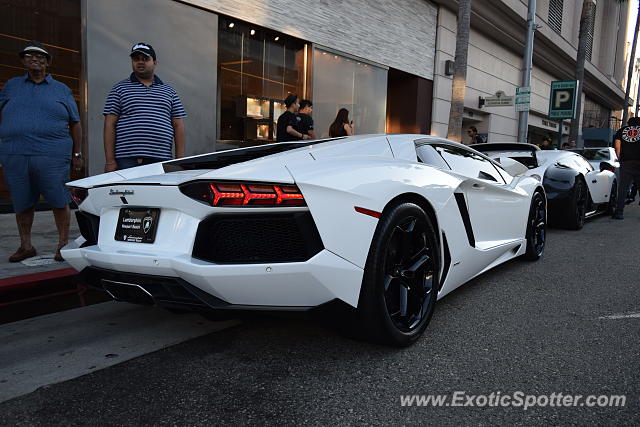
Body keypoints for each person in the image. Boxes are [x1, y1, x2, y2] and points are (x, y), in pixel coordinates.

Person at [0, 41, 82, 262]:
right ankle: (26, 246)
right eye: (28, 56)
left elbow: (75, 123)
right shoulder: (11, 86)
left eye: (39, 56)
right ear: (23, 61)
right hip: (15, 154)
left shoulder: (62, 89)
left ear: (47, 63)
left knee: (57, 199)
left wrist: (77, 154)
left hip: (53, 155)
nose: (34, 59)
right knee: (22, 201)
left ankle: (63, 244)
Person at [103, 43, 186, 171]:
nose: (140, 62)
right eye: (136, 59)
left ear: (155, 62)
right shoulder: (119, 89)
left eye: (145, 59)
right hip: (126, 159)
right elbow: (109, 124)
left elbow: (178, 125)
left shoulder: (169, 91)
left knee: (157, 192)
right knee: (126, 191)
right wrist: (110, 161)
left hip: (160, 159)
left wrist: (180, 161)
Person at [612, 116, 640, 219]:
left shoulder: (621, 131)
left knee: (623, 188)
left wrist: (619, 158)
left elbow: (617, 146)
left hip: (626, 163)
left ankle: (619, 213)